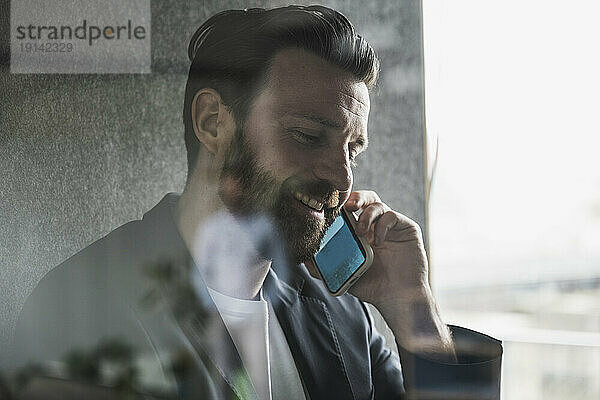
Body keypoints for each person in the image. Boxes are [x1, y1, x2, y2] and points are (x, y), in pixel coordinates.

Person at [7, 5, 502, 400]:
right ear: (213, 123)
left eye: (353, 148)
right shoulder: (77, 308)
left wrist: (414, 309)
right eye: (307, 135)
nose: (342, 174)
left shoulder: (347, 316)